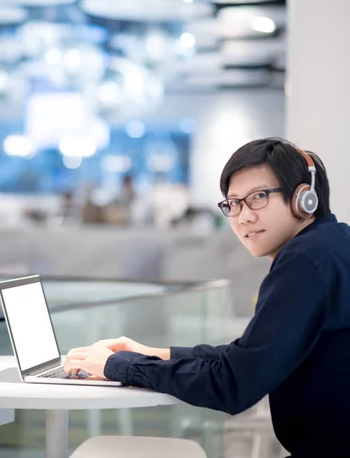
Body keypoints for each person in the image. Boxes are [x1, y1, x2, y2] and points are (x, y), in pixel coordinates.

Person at [64, 138, 350, 458]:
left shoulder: (305, 261)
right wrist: (155, 354)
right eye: (233, 203)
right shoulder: (333, 244)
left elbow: (234, 385)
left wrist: (121, 366)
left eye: (258, 198)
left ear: (303, 198)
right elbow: (249, 357)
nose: (243, 216)